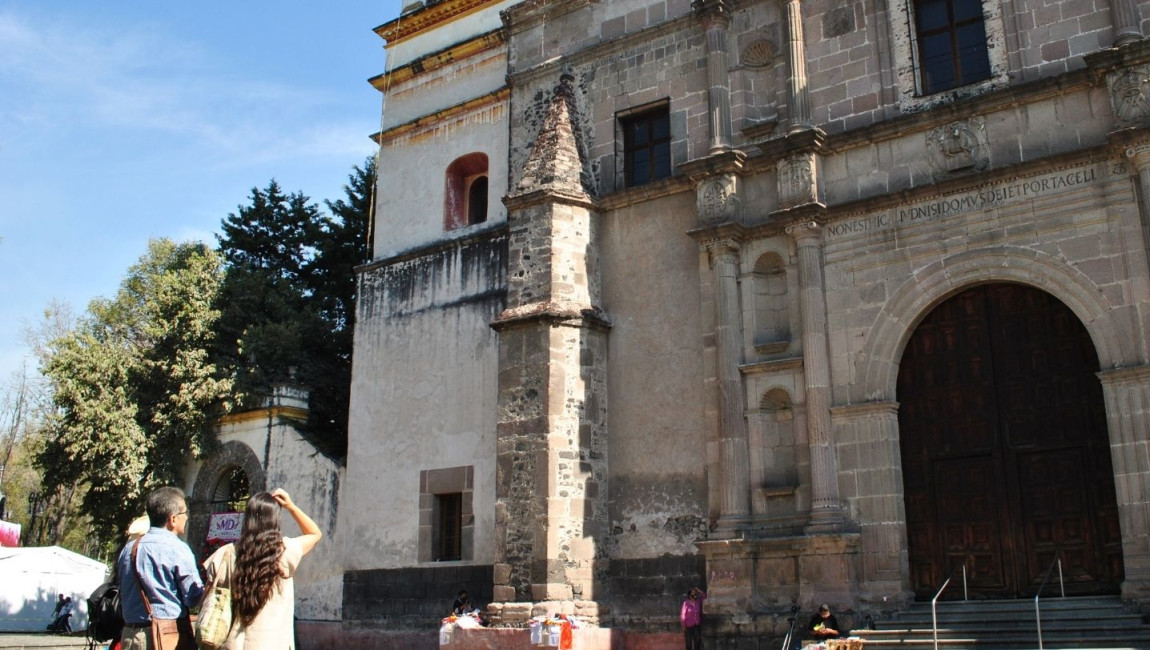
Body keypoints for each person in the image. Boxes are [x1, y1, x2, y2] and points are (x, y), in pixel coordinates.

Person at [203, 488, 322, 649]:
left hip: (232, 644)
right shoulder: (284, 552)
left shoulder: (226, 554)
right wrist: (291, 506)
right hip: (272, 643)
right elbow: (315, 533)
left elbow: (208, 597)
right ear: (275, 520)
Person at [117, 486, 203, 650]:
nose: (187, 518)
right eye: (185, 513)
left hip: (129, 634)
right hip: (163, 637)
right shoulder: (177, 548)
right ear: (173, 519)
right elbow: (192, 597)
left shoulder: (129, 548)